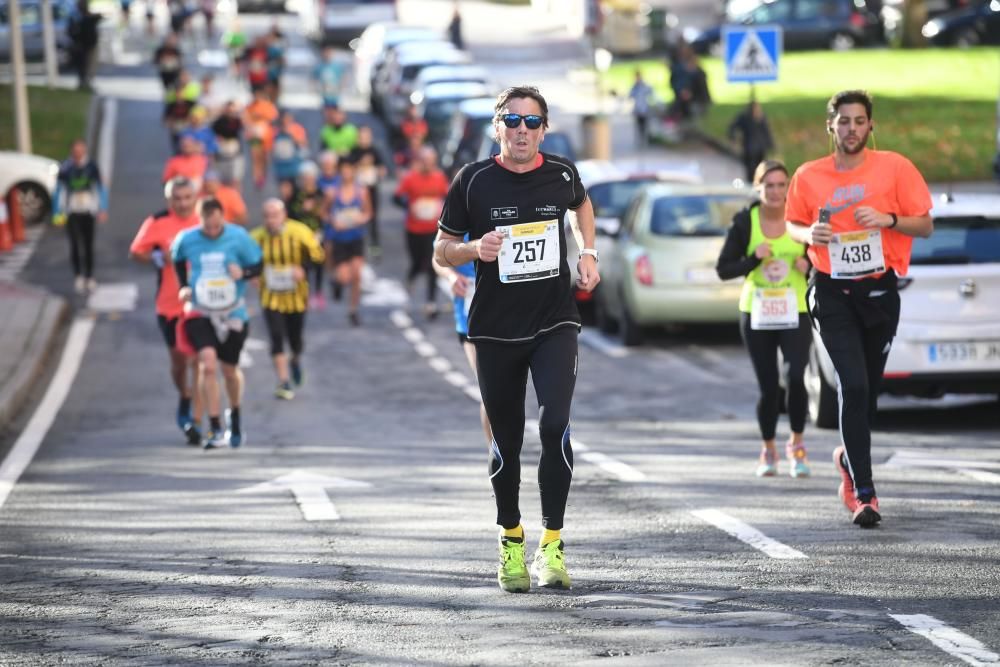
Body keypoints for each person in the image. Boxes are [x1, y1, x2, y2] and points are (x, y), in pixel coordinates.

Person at [434, 86, 600, 592]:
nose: (522, 130)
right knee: (506, 439)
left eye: (532, 122)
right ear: (496, 126)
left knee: (555, 426)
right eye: (512, 121)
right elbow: (442, 249)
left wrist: (588, 253)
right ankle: (511, 538)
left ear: (544, 129)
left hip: (555, 321)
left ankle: (551, 544)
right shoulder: (473, 181)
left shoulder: (563, 172)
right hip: (496, 329)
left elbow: (581, 206)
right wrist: (473, 250)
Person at [785, 90, 933, 527]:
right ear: (830, 126)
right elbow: (791, 224)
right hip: (831, 292)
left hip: (878, 293)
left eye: (859, 120)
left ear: (870, 126)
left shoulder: (895, 168)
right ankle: (865, 494)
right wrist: (808, 233)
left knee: (866, 394)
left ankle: (848, 460)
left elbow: (925, 224)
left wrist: (888, 220)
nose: (851, 128)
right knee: (851, 384)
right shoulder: (809, 175)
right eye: (843, 121)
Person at [716, 160, 812, 478]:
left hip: (795, 308)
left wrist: (808, 265)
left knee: (796, 377)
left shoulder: (800, 220)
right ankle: (768, 448)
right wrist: (752, 259)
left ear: (788, 188)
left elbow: (822, 258)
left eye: (780, 185)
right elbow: (724, 268)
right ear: (758, 188)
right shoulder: (746, 221)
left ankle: (797, 444)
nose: (774, 191)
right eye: (768, 185)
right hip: (757, 312)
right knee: (769, 386)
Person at [172, 198, 263, 449]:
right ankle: (213, 427)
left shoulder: (239, 237)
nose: (212, 232)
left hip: (233, 311)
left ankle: (234, 415)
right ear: (199, 221)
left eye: (216, 226)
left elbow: (258, 265)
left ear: (223, 218)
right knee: (208, 364)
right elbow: (177, 259)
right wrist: (183, 286)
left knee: (230, 371)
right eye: (207, 227)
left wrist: (243, 274)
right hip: (200, 310)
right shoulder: (187, 238)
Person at [129, 176, 204, 446]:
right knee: (179, 362)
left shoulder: (205, 218)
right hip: (169, 306)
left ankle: (196, 420)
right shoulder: (158, 221)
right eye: (177, 199)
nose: (183, 203)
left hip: (201, 304)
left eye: (187, 198)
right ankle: (184, 395)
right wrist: (159, 257)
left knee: (199, 360)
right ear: (169, 200)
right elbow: (136, 251)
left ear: (195, 198)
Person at [249, 199, 325, 400]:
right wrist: (252, 275)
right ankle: (283, 381)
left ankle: (295, 359)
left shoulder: (299, 232)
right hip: (270, 295)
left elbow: (318, 256)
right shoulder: (255, 237)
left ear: (284, 215)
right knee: (276, 336)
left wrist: (304, 269)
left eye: (275, 216)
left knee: (295, 339)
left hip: (296, 296)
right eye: (267, 216)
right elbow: (244, 260)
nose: (271, 221)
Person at [433, 239, 492, 446]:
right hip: (470, 319)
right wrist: (450, 276)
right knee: (490, 390)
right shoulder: (462, 209)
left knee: (510, 390)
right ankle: (496, 455)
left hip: (508, 316)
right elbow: (437, 255)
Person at [394, 145, 449, 319]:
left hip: (433, 229)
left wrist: (442, 208)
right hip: (414, 228)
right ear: (419, 161)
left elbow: (448, 197)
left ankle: (431, 303)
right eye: (425, 161)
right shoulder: (410, 179)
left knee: (433, 264)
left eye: (431, 161)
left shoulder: (439, 178)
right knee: (417, 263)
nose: (428, 165)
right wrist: (409, 206)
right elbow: (396, 197)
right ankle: (410, 282)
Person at [52, 139, 108, 294]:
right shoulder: (65, 168)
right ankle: (78, 275)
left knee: (88, 245)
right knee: (75, 245)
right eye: (75, 152)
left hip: (88, 211)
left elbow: (100, 188)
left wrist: (102, 208)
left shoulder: (92, 167)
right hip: (72, 211)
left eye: (81, 151)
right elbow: (59, 191)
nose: (78, 154)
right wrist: (57, 213)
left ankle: (89, 276)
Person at [323, 157, 372, 326]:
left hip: (355, 238)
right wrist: (333, 221)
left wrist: (360, 219)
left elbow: (368, 213)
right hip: (339, 240)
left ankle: (353, 309)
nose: (346, 173)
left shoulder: (362, 191)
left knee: (357, 274)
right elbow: (324, 212)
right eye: (343, 170)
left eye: (349, 169)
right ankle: (337, 282)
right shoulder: (332, 192)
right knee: (344, 277)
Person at [285, 162, 327, 308]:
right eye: (305, 178)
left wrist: (316, 209)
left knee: (319, 262)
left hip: (317, 233)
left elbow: (325, 213)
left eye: (310, 177)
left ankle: (319, 292)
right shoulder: (296, 195)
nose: (308, 180)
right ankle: (305, 292)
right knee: (304, 263)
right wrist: (302, 209)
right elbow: (290, 214)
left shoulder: (320, 193)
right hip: (300, 234)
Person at [348, 126, 388, 259]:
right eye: (362, 137)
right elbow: (347, 171)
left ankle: (374, 246)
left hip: (371, 189)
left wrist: (378, 170)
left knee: (373, 218)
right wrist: (360, 164)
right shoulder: (353, 152)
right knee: (357, 216)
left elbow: (383, 169)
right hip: (357, 192)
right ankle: (355, 245)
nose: (364, 140)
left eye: (367, 137)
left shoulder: (374, 151)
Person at [728, 100, 775, 183]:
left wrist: (771, 144)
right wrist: (733, 137)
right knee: (749, 168)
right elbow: (733, 127)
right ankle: (750, 182)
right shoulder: (745, 118)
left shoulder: (761, 118)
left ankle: (757, 181)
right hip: (749, 148)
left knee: (760, 166)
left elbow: (766, 132)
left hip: (760, 148)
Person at [244, 88, 279, 189]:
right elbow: (246, 118)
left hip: (267, 135)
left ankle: (263, 174)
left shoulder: (268, 106)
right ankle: (257, 177)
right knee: (256, 156)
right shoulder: (250, 106)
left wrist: (259, 117)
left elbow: (273, 118)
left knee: (265, 157)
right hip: (255, 135)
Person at [271, 110, 309, 200]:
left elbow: (303, 145)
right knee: (284, 193)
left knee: (296, 191)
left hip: (294, 167)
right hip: (280, 168)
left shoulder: (297, 129)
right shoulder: (275, 131)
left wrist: (291, 134)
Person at [67, 0, 101, 91]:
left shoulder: (88, 17)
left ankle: (87, 83)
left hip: (90, 44)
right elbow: (71, 31)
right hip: (81, 45)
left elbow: (98, 17)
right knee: (82, 66)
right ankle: (83, 83)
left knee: (90, 65)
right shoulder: (76, 18)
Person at [212, 100, 246, 189]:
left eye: (232, 111)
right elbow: (213, 135)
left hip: (236, 154)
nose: (231, 113)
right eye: (229, 110)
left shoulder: (238, 121)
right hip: (222, 155)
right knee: (222, 181)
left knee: (236, 180)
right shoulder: (219, 122)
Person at [628, 69, 654, 148]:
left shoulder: (645, 86)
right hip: (638, 109)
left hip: (645, 108)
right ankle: (641, 140)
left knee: (644, 125)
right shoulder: (634, 87)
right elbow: (630, 96)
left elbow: (652, 94)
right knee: (639, 125)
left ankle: (645, 140)